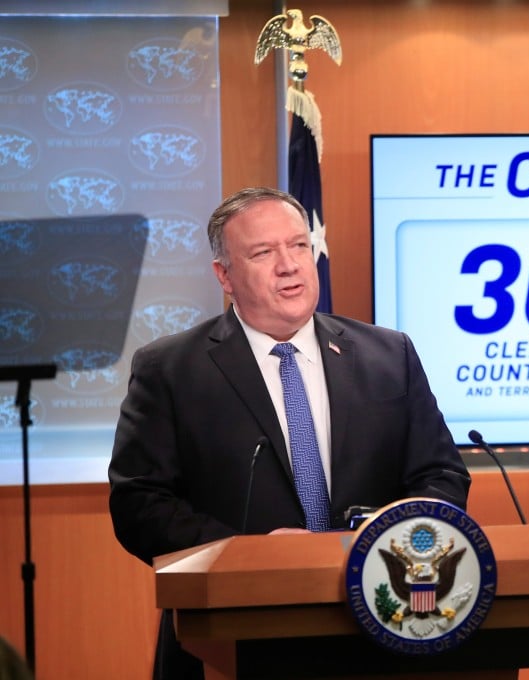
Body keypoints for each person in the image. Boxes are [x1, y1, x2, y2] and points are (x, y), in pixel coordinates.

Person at [108, 186, 470, 679]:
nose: (289, 265)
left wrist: (388, 541)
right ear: (225, 275)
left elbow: (441, 473)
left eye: (299, 246)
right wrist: (247, 554)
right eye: (263, 252)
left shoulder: (389, 354)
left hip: (382, 625)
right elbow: (139, 504)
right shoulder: (171, 370)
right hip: (232, 637)